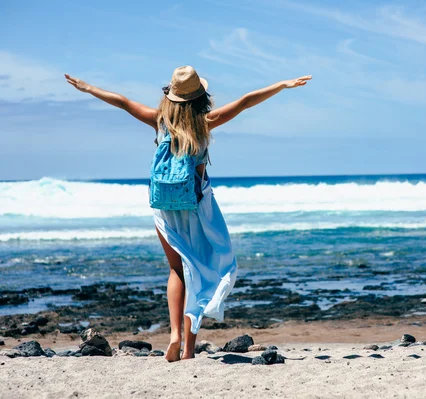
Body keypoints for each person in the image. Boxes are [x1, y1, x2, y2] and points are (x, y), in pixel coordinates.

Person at [65, 66, 311, 361]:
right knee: (201, 269)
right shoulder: (205, 122)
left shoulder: (159, 121)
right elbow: (246, 101)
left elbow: (122, 101)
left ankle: (174, 335)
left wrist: (89, 88)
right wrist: (282, 85)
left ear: (171, 95)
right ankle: (189, 349)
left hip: (164, 206)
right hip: (197, 206)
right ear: (199, 97)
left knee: (176, 270)